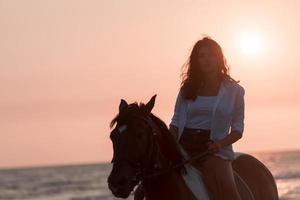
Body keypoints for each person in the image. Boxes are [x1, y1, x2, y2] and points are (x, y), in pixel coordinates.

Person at [169, 36, 245, 200]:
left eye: (210, 55)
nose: (206, 60)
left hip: (214, 149)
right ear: (196, 61)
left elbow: (238, 129)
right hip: (184, 145)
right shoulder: (187, 89)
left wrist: (219, 145)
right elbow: (175, 123)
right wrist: (170, 146)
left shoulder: (235, 91)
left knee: (229, 193)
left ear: (219, 57)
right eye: (201, 56)